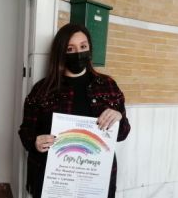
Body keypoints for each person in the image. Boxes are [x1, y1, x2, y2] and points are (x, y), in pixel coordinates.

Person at [18, 23, 131, 198]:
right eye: (70, 49)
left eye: (83, 47)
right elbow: (25, 132)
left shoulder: (107, 85)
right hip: (53, 181)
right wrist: (35, 142)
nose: (78, 53)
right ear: (61, 53)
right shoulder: (42, 89)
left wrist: (119, 117)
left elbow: (123, 133)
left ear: (90, 49)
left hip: (96, 181)